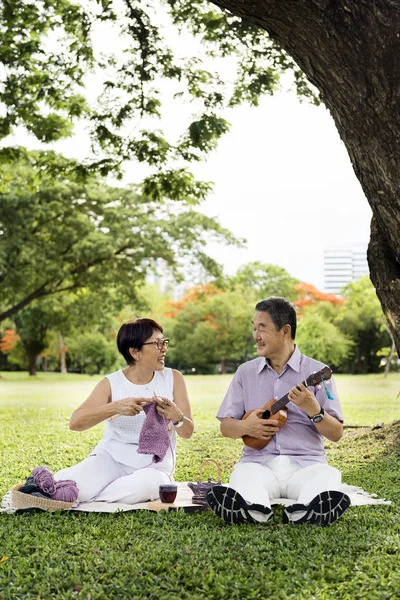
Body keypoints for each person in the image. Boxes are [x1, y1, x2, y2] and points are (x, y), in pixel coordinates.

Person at [206, 297, 350, 526]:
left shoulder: (317, 372)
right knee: (241, 475)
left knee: (329, 476)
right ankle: (256, 510)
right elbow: (226, 427)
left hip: (306, 464)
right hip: (259, 464)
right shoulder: (245, 372)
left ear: (285, 331)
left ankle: (303, 512)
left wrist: (314, 409)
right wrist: (246, 426)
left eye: (262, 328)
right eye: (254, 328)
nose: (256, 336)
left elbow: (336, 434)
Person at [55, 318, 194, 504]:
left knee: (152, 485)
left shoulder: (174, 378)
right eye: (156, 343)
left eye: (164, 342)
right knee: (78, 485)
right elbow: (75, 423)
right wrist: (114, 407)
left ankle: (90, 494)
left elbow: (188, 432)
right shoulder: (111, 383)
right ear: (135, 352)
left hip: (154, 467)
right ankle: (66, 485)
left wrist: (177, 417)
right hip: (111, 459)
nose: (164, 348)